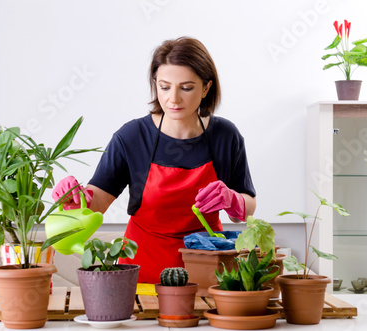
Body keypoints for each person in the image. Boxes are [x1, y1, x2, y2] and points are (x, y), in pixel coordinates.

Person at [52, 36, 256, 283]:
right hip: (142, 266)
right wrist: (75, 199)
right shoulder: (131, 137)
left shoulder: (226, 136)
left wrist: (232, 199)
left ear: (206, 87)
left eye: (187, 87)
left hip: (207, 265)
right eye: (165, 86)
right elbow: (97, 203)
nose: (173, 99)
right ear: (155, 84)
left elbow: (243, 211)